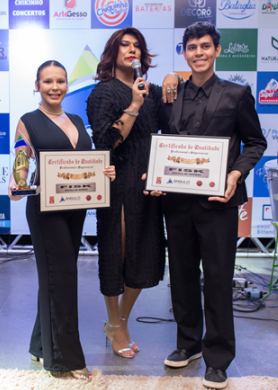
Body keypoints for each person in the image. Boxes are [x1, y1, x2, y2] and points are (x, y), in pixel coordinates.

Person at [153, 22, 267, 389]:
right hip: (177, 202)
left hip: (219, 203)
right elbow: (159, 142)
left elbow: (256, 142)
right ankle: (188, 344)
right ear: (184, 53)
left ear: (217, 50)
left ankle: (218, 359)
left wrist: (236, 173)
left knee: (217, 280)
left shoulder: (237, 94)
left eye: (205, 46)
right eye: (192, 47)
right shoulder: (168, 94)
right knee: (182, 276)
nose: (198, 52)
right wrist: (154, 175)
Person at [9, 60, 116, 381]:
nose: (55, 87)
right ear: (37, 86)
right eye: (48, 81)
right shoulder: (28, 121)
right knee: (63, 277)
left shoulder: (77, 120)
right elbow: (20, 158)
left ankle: (41, 345)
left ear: (67, 85)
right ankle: (64, 360)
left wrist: (105, 171)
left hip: (76, 206)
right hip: (46, 209)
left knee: (56, 277)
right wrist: (17, 181)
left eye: (60, 81)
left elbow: (85, 162)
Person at [86, 28, 181, 359]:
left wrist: (172, 76)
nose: (132, 50)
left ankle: (121, 321)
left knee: (144, 254)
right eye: (124, 45)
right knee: (118, 253)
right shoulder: (103, 92)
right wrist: (135, 104)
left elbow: (171, 121)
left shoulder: (151, 90)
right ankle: (113, 322)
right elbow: (107, 142)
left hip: (147, 183)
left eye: (137, 45)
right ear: (113, 52)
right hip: (117, 182)